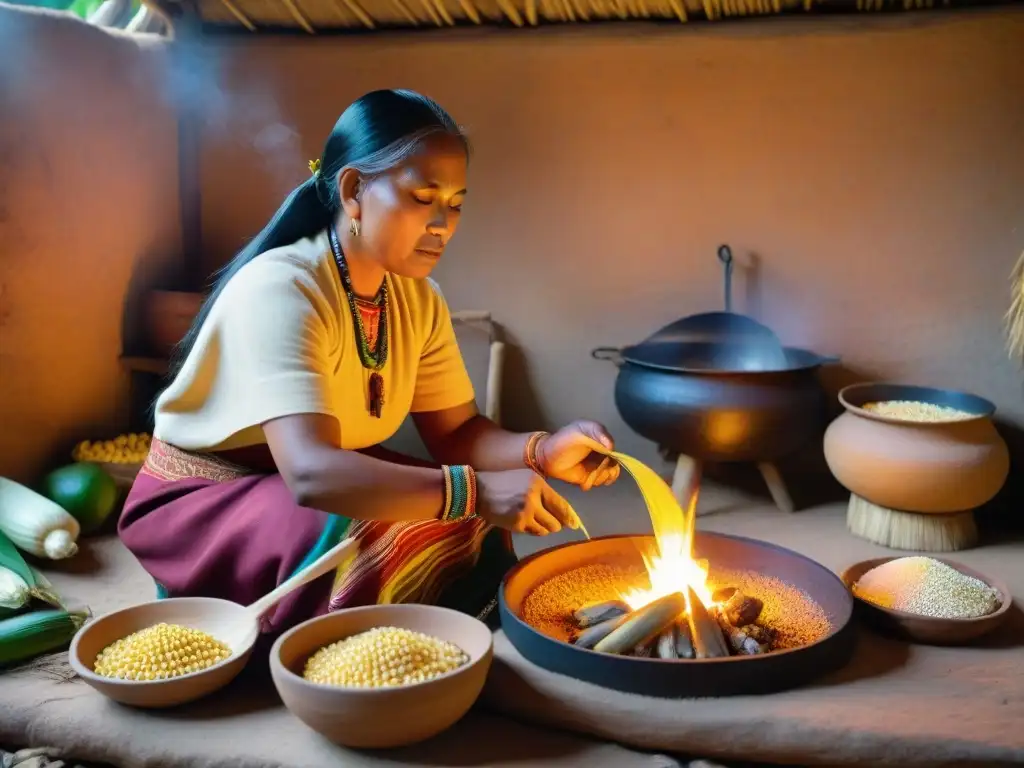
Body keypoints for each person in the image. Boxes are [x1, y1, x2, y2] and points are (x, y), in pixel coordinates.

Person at [118, 89, 620, 638]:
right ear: (354, 191)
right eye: (422, 197)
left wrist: (543, 451)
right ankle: (341, 647)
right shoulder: (281, 287)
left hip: (310, 481)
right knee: (376, 531)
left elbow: (457, 434)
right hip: (209, 498)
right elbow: (310, 473)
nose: (442, 224)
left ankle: (423, 635)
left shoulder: (417, 298)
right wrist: (474, 489)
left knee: (461, 518)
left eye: (455, 204)